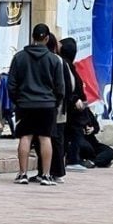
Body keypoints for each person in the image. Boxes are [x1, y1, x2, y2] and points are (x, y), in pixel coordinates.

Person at [7, 23, 65, 186]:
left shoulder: (19, 57)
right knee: (45, 138)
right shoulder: (54, 60)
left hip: (25, 104)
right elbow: (60, 87)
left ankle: (22, 173)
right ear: (47, 39)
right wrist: (55, 102)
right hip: (47, 104)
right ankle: (46, 175)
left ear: (32, 37)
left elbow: (11, 84)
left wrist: (17, 101)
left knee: (25, 137)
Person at [59, 37, 90, 174]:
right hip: (71, 107)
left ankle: (71, 158)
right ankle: (71, 159)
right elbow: (68, 86)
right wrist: (75, 99)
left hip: (73, 107)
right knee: (73, 133)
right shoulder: (65, 65)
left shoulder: (68, 65)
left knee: (73, 133)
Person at [45, 34, 74, 184]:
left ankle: (52, 171)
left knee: (51, 139)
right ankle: (53, 171)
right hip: (57, 106)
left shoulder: (57, 61)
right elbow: (69, 85)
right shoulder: (58, 61)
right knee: (55, 140)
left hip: (53, 106)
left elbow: (67, 85)